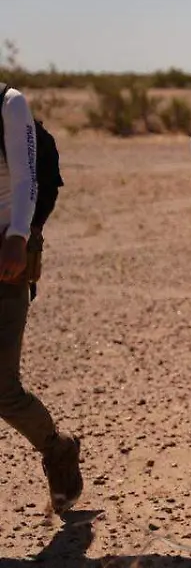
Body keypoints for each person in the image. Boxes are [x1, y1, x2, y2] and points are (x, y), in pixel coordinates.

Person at [0, 84, 82, 514]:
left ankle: (57, 448)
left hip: (4, 259)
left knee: (3, 390)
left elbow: (27, 178)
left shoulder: (8, 104)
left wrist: (18, 237)